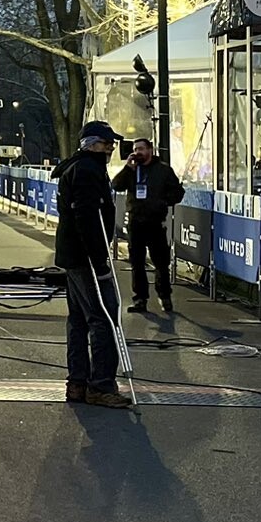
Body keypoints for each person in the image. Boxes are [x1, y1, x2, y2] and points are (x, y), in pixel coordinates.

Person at [54, 120, 131, 409]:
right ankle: (100, 385)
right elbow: (87, 218)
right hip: (85, 256)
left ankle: (77, 381)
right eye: (106, 143)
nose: (111, 148)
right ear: (92, 144)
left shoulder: (77, 167)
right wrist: (99, 261)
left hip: (73, 254)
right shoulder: (87, 170)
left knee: (78, 319)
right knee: (104, 317)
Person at [114, 136, 185, 315]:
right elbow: (116, 185)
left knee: (161, 261)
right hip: (136, 221)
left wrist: (162, 202)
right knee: (137, 263)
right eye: (135, 149)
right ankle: (140, 298)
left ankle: (164, 295)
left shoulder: (163, 170)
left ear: (150, 150)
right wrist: (127, 168)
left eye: (141, 149)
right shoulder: (132, 170)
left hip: (155, 221)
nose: (137, 152)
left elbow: (177, 192)